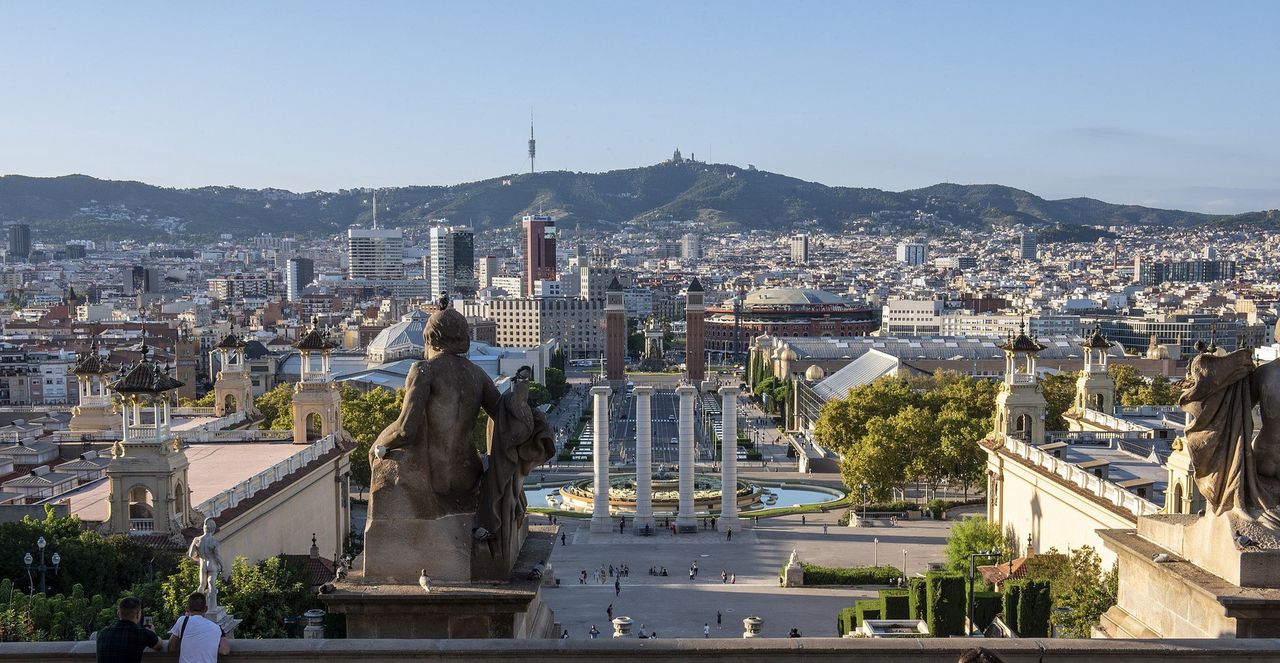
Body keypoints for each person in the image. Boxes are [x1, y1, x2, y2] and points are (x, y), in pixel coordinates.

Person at [96, 596, 161, 663]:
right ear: (138, 614)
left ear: (118, 613)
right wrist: (152, 632)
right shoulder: (142, 634)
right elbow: (158, 646)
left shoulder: (101, 633)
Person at [168, 592, 229, 663]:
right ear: (206, 609)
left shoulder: (182, 621)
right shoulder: (217, 628)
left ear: (187, 609)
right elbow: (225, 651)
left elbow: (171, 648)